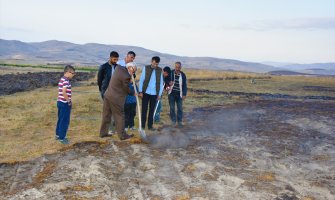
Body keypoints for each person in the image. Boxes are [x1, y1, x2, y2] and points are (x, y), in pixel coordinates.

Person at [100, 59, 137, 140]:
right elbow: (126, 89)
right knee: (120, 116)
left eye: (134, 72)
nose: (132, 73)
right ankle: (122, 135)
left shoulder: (119, 68)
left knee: (106, 115)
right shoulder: (126, 76)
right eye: (133, 70)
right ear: (129, 67)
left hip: (108, 95)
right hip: (116, 99)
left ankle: (103, 133)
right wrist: (133, 92)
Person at [97, 51, 119, 136]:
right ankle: (109, 130)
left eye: (117, 59)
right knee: (108, 112)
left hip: (115, 93)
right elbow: (99, 80)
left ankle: (114, 128)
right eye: (114, 59)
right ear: (110, 58)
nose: (116, 61)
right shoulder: (103, 67)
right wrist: (102, 91)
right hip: (106, 92)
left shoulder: (118, 67)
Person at [138, 56, 163, 131]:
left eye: (157, 64)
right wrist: (140, 91)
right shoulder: (146, 68)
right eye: (154, 63)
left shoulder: (160, 70)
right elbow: (142, 80)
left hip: (154, 94)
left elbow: (161, 83)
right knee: (144, 110)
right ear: (151, 61)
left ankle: (150, 126)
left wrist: (159, 94)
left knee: (152, 110)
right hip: (145, 92)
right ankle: (142, 126)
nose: (155, 65)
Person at [55, 65, 76, 144]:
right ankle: (62, 138)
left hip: (59, 102)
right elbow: (64, 92)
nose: (73, 75)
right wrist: (69, 101)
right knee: (65, 121)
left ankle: (57, 135)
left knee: (60, 119)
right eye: (72, 73)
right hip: (64, 103)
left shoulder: (62, 79)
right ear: (67, 72)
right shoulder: (66, 81)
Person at [168, 61, 187, 127]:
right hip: (171, 94)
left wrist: (184, 94)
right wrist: (168, 83)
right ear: (174, 66)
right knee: (172, 108)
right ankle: (173, 121)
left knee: (180, 108)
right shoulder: (170, 73)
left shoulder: (183, 75)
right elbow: (166, 80)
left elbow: (184, 85)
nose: (177, 68)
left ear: (180, 67)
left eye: (178, 67)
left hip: (179, 94)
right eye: (176, 67)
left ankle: (179, 122)